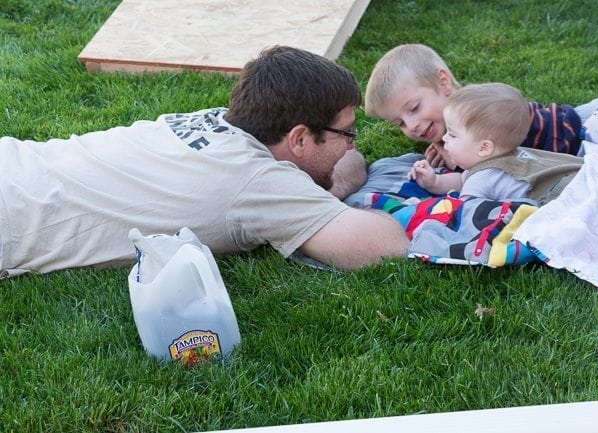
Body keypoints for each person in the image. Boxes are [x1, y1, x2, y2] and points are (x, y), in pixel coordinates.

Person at [0, 45, 410, 278]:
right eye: (347, 133)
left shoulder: (218, 121)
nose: (353, 146)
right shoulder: (260, 182)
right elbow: (385, 248)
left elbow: (343, 160)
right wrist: (341, 186)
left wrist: (333, 173)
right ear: (299, 138)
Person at [364, 44, 584, 169]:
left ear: (443, 82)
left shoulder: (478, 111)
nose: (411, 125)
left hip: (563, 138)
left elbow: (490, 164)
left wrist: (458, 162)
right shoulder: (446, 135)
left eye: (414, 108)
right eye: (400, 123)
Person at [407, 82, 583, 204]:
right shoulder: (504, 155)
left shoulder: (482, 179)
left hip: (568, 195)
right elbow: (463, 180)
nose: (444, 139)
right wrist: (435, 181)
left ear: (484, 148)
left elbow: (467, 213)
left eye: (452, 135)